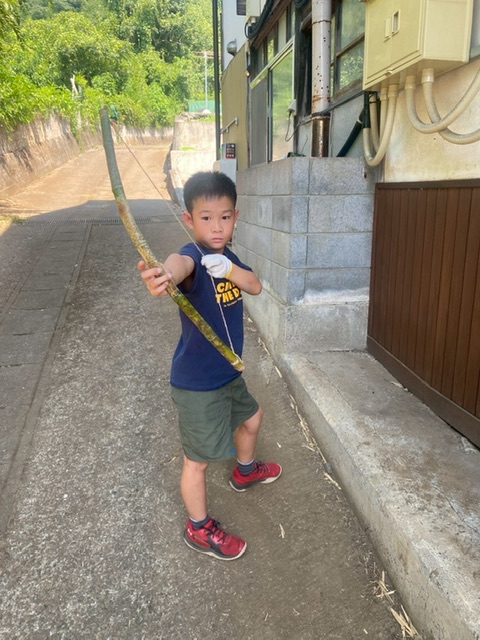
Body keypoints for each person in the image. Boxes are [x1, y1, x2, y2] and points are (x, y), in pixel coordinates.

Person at [138, 171, 282, 561]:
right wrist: (165, 275)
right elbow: (178, 264)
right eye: (206, 218)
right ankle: (198, 528)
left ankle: (244, 472)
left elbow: (255, 286)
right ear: (189, 219)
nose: (217, 227)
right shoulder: (192, 256)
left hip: (228, 373)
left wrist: (229, 269)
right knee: (196, 461)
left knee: (253, 418)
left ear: (236, 217)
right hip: (198, 383)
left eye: (225, 217)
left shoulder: (227, 257)